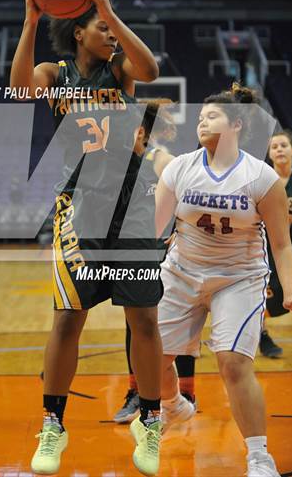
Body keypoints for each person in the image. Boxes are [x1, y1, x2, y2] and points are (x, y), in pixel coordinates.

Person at [11, 0, 163, 476]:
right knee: (68, 318)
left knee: (142, 318)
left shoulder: (120, 72)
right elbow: (18, 93)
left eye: (111, 30)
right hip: (79, 204)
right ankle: (53, 424)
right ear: (78, 32)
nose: (110, 37)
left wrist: (111, 11)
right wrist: (31, 19)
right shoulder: (56, 74)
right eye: (100, 28)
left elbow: (152, 69)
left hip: (133, 201)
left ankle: (150, 418)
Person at [154, 83, 292, 477]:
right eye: (200, 116)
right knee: (151, 360)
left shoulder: (261, 178)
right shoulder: (180, 168)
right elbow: (152, 228)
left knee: (234, 364)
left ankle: (258, 455)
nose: (201, 120)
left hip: (238, 278)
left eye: (212, 116)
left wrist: (290, 291)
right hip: (182, 271)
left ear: (237, 124)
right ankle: (173, 406)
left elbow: (282, 245)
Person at [113, 103, 197, 425]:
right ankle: (138, 391)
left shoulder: (161, 158)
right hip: (136, 249)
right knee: (135, 322)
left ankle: (185, 393)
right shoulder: (122, 162)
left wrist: (179, 230)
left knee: (178, 320)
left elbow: (189, 196)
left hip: (167, 251)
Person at [259, 130, 292, 357]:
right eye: (274, 147)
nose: (279, 150)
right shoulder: (263, 181)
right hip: (271, 252)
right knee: (262, 304)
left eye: (284, 145)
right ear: (269, 154)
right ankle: (261, 336)